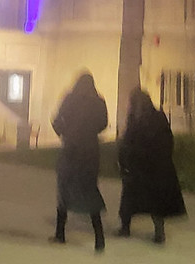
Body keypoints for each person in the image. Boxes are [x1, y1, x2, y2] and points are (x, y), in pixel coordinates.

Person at [116, 88, 187, 244]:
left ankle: (158, 232)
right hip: (138, 166)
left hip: (153, 166)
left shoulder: (155, 118)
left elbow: (166, 141)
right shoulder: (135, 118)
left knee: (155, 202)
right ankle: (126, 227)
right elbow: (127, 141)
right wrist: (125, 159)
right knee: (130, 198)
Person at [51, 72, 108, 251]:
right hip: (90, 152)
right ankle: (99, 237)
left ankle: (60, 233)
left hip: (71, 149)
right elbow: (103, 124)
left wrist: (64, 132)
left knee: (64, 188)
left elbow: (57, 119)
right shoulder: (98, 102)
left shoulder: (70, 99)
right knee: (89, 190)